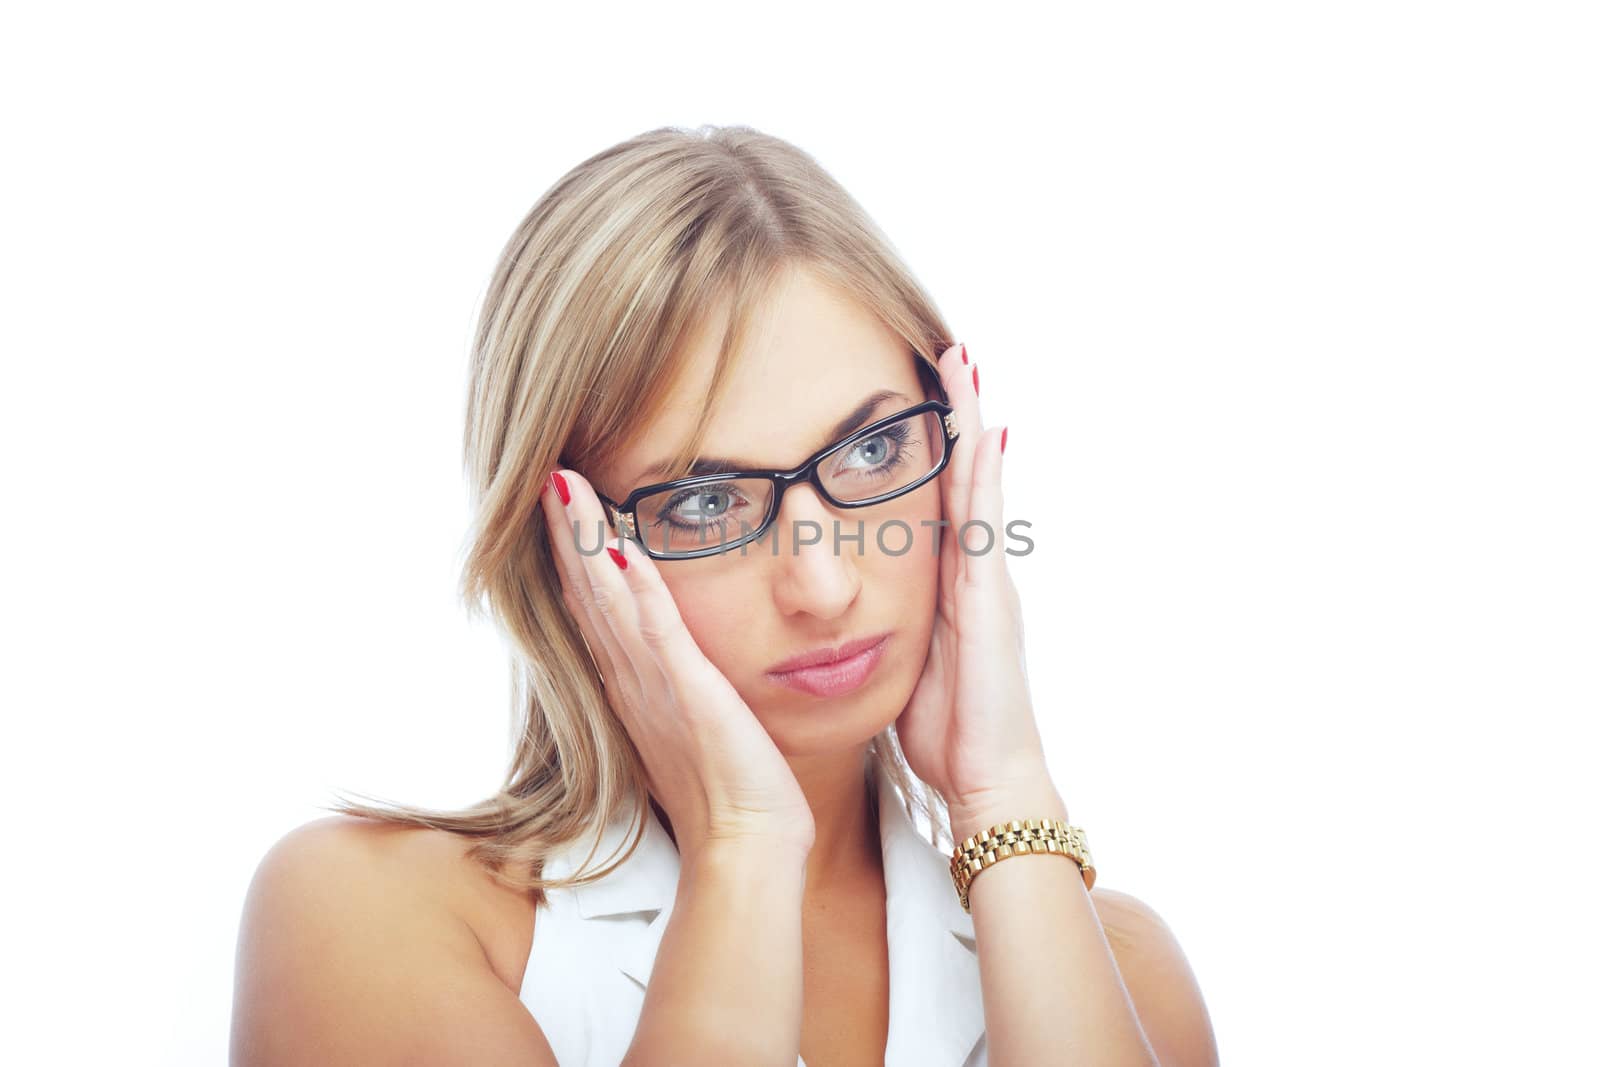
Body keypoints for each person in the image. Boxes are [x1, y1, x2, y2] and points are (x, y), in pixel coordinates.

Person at [231, 124, 1219, 1067]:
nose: (824, 584)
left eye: (873, 448)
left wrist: (1002, 796)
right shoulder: (368, 916)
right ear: (567, 543)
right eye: (704, 500)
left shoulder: (1116, 972)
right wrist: (740, 849)